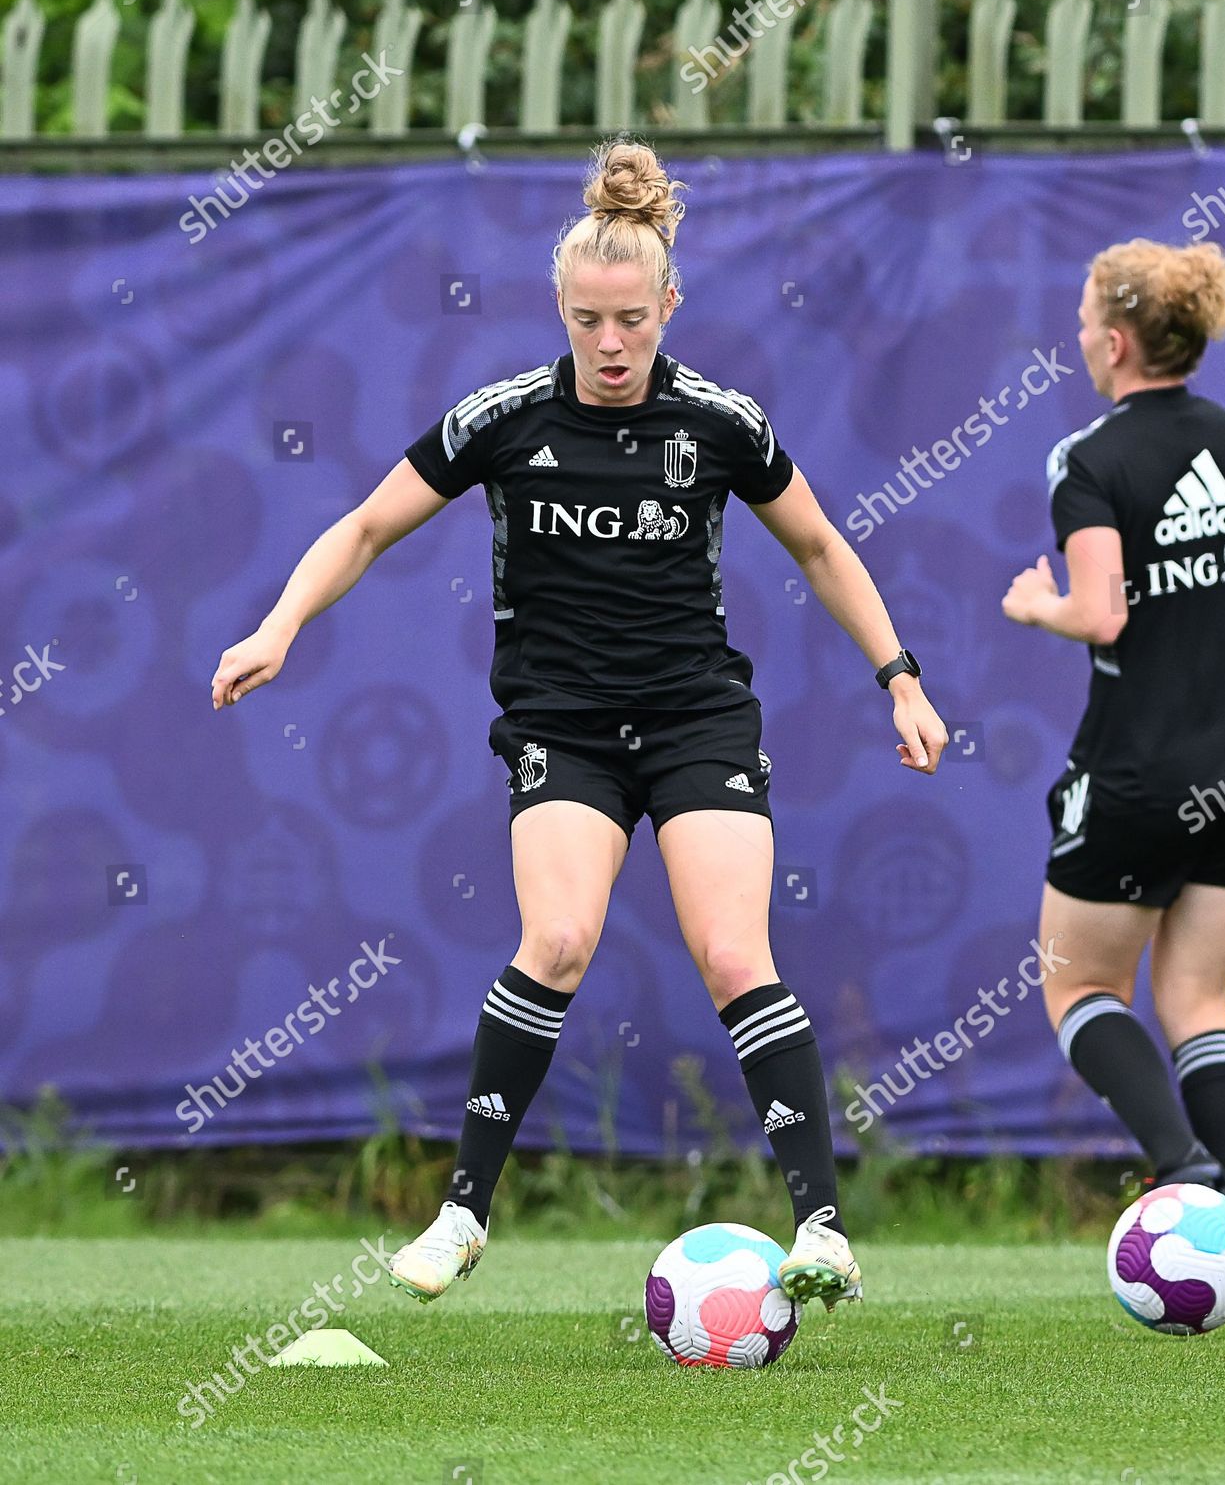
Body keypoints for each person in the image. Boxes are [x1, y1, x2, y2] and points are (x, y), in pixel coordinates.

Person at [212, 138, 947, 1307]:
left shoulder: (719, 423)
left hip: (699, 719)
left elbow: (818, 544)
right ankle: (461, 1215)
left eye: (633, 321)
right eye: (589, 319)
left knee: (732, 953)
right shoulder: (505, 419)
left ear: (670, 305)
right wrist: (278, 624)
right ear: (559, 306)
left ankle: (821, 1230)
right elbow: (361, 527)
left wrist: (898, 677)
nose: (611, 345)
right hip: (564, 728)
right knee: (554, 942)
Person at [1002, 237, 1225, 1219]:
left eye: (1078, 324)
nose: (1075, 338)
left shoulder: (1092, 459)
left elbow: (1101, 611)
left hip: (1137, 776)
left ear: (1115, 343)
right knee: (1198, 1003)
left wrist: (1036, 604)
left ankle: (1179, 1166)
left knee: (1079, 990)